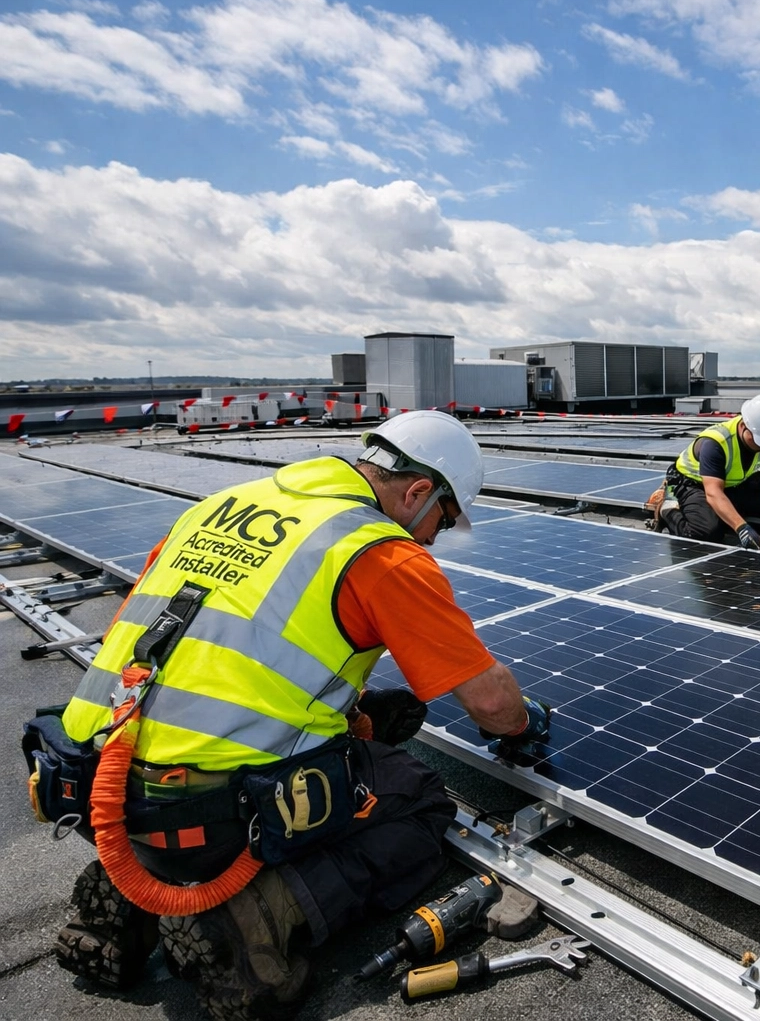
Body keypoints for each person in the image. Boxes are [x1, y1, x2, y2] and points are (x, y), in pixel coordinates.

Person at [46, 410, 549, 1019]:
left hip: (90, 777)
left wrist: (352, 713)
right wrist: (525, 725)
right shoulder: (377, 551)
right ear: (418, 492)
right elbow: (493, 707)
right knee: (418, 801)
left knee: (366, 732)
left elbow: (194, 640)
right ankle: (250, 916)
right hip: (208, 811)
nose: (437, 536)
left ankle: (136, 895)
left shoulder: (222, 505)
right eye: (444, 517)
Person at [661, 393, 760, 548]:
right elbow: (713, 493)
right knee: (708, 532)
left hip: (729, 486)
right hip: (692, 485)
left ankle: (725, 515)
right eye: (757, 439)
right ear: (743, 426)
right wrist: (742, 528)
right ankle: (668, 508)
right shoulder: (715, 443)